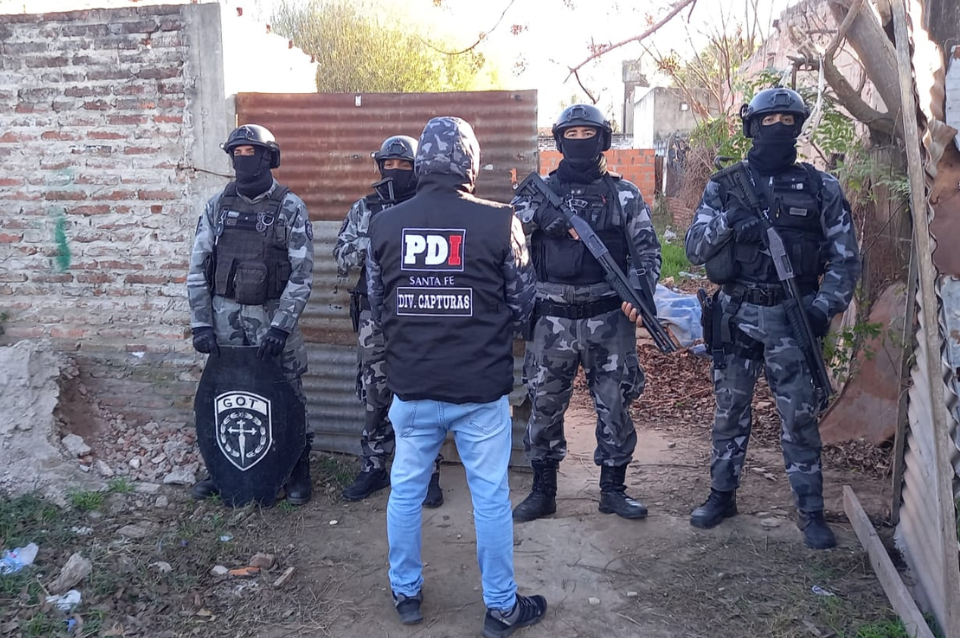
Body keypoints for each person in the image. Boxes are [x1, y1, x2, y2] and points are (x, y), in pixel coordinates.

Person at [367, 116, 547, 636]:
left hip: (412, 387)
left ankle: (405, 594)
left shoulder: (384, 224)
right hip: (479, 391)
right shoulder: (501, 221)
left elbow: (378, 306)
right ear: (470, 161)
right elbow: (524, 306)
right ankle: (501, 607)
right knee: (489, 497)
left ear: (422, 162)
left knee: (405, 490)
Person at [684, 87, 861, 549]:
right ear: (752, 127)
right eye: (769, 121)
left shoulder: (821, 187)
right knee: (729, 412)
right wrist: (728, 223)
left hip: (793, 316)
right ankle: (721, 495)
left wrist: (824, 307)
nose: (778, 128)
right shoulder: (724, 186)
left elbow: (846, 259)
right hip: (737, 314)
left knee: (800, 419)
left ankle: (811, 511)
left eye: (788, 121)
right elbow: (694, 247)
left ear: (798, 127)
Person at [511, 104, 662, 523]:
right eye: (572, 134)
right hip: (551, 317)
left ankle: (613, 490)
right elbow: (508, 230)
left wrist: (639, 293)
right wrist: (544, 217)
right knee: (544, 404)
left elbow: (648, 252)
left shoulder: (623, 194)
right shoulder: (537, 192)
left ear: (603, 139)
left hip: (609, 318)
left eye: (587, 133)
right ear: (560, 141)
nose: (580, 141)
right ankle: (543, 491)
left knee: (615, 404)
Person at [187, 124, 315, 505]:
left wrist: (282, 326)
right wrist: (201, 323)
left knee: (288, 392)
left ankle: (297, 469)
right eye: (237, 153)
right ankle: (223, 469)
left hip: (272, 317)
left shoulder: (290, 207)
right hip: (224, 319)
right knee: (224, 391)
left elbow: (302, 274)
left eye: (250, 153)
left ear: (268, 158)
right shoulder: (217, 205)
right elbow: (198, 267)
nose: (243, 159)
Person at [334, 136, 444, 507]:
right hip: (375, 316)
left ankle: (428, 472)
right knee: (375, 391)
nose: (395, 171)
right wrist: (378, 239)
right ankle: (374, 466)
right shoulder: (366, 208)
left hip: (420, 313)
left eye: (405, 165)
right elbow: (342, 254)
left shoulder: (430, 207)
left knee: (423, 391)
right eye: (389, 165)